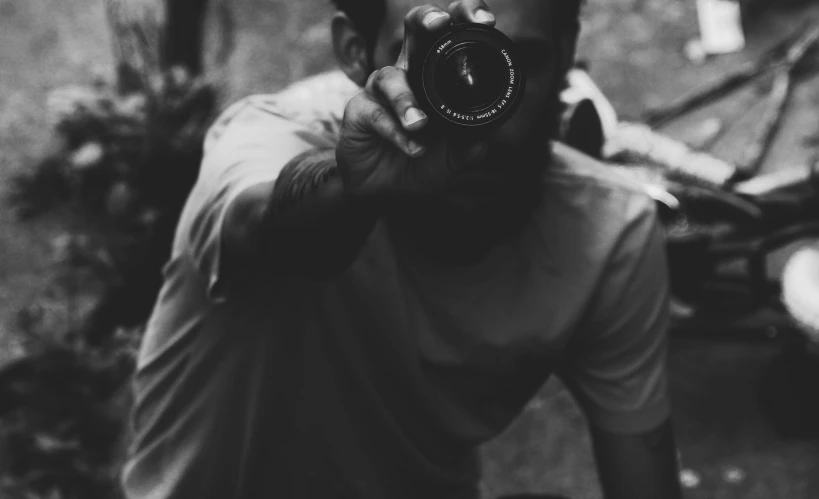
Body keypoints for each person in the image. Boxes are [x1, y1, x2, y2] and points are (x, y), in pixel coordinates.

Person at [121, 1, 683, 498]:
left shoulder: (607, 232)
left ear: (568, 52)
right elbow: (269, 229)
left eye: (516, 65)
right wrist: (350, 187)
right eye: (433, 66)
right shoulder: (272, 134)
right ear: (353, 50)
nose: (484, 112)